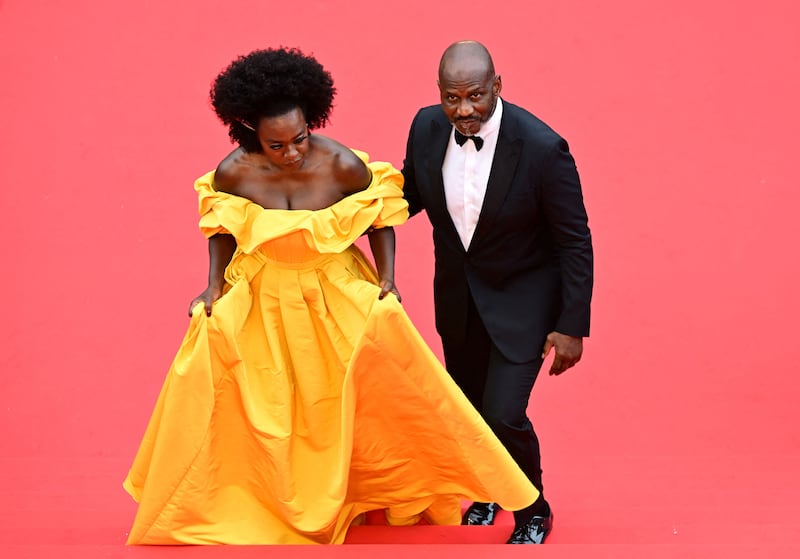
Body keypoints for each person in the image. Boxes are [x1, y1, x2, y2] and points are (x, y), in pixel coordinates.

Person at [122, 47, 538, 545]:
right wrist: (214, 285)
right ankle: (253, 498)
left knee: (358, 397)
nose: (293, 152)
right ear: (251, 133)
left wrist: (387, 278)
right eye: (277, 145)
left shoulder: (340, 163)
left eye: (300, 138)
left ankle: (382, 489)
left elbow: (381, 215)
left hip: (332, 289)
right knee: (264, 401)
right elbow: (220, 226)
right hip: (265, 293)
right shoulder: (233, 172)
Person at [400, 40, 594, 544]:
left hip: (524, 304)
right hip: (460, 301)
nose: (463, 111)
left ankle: (533, 507)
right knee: (468, 407)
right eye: (451, 98)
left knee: (503, 413)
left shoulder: (542, 147)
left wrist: (572, 326)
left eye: (475, 97)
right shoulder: (425, 127)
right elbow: (409, 195)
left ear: (497, 87)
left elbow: (574, 241)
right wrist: (338, 211)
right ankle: (488, 490)